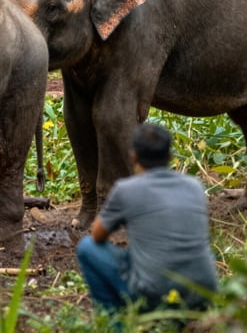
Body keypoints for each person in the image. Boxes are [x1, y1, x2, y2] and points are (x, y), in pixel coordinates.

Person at [76, 122, 217, 321]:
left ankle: (114, 323)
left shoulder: (126, 189)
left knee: (87, 247)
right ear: (170, 156)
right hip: (203, 292)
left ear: (133, 156)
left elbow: (97, 234)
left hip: (155, 294)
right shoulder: (194, 185)